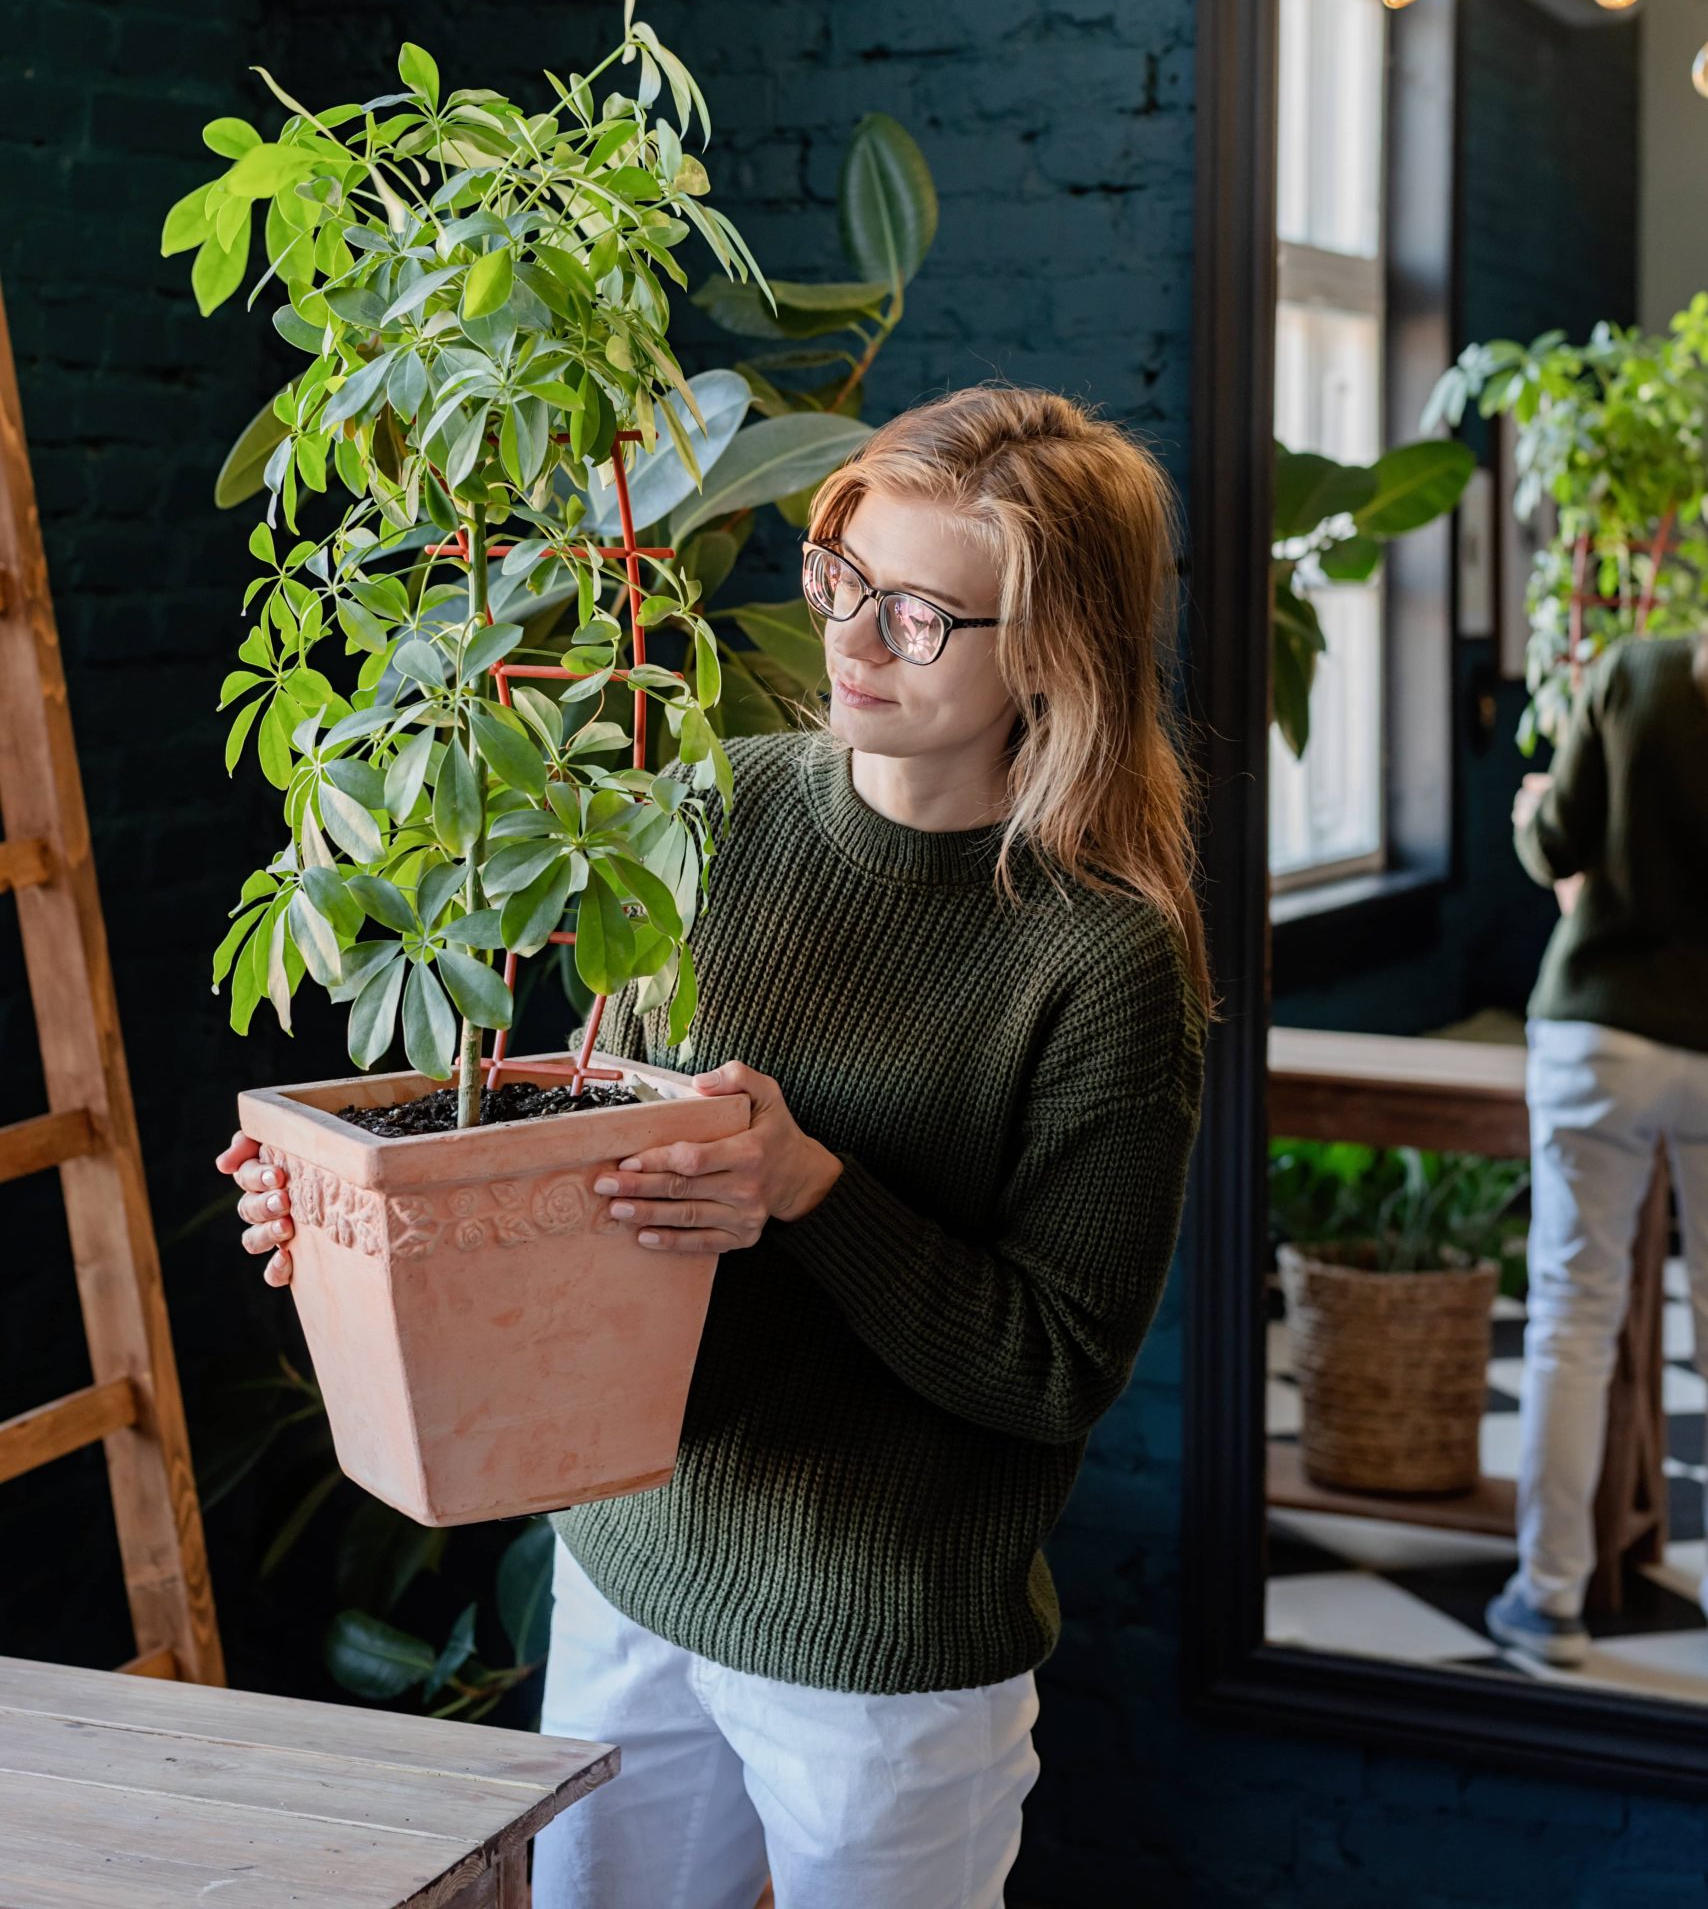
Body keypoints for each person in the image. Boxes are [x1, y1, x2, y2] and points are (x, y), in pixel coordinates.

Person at [216, 383, 1208, 1908]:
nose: (856, 642)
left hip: (879, 1651)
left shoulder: (1100, 961)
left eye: (925, 617)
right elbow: (571, 1153)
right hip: (635, 1568)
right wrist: (371, 1221)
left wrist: (813, 1188)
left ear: (1056, 653)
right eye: (844, 580)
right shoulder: (715, 811)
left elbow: (1058, 1366)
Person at [1486, 631, 1708, 1669]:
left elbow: (1555, 845)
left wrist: (1533, 813)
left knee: (1571, 1318)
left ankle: (1550, 1601)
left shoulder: (1636, 672)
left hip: (1600, 1029)